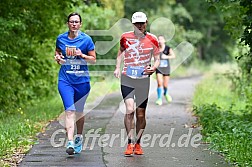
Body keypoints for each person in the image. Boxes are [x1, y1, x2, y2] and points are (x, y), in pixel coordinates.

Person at [113, 11, 160, 156]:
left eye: (142, 23)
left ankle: (138, 143)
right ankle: (129, 142)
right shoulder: (125, 37)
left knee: (140, 114)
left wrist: (154, 68)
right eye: (137, 23)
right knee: (129, 109)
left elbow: (157, 57)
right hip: (127, 77)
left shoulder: (153, 39)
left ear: (146, 23)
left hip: (143, 80)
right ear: (133, 24)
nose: (140, 26)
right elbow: (121, 52)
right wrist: (117, 67)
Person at [54, 12, 96, 155]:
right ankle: (70, 142)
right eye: (71, 21)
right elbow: (58, 52)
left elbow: (93, 59)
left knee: (78, 111)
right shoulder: (61, 39)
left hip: (82, 81)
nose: (74, 24)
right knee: (69, 110)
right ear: (68, 23)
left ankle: (78, 136)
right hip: (65, 80)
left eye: (76, 22)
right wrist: (58, 57)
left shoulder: (86, 40)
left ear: (80, 24)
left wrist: (82, 55)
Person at [155, 35, 175, 105]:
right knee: (159, 83)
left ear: (164, 40)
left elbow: (173, 56)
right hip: (158, 68)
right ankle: (159, 99)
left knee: (165, 85)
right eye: (159, 39)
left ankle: (166, 93)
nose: (160, 41)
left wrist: (166, 56)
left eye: (161, 39)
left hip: (166, 68)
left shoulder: (168, 48)